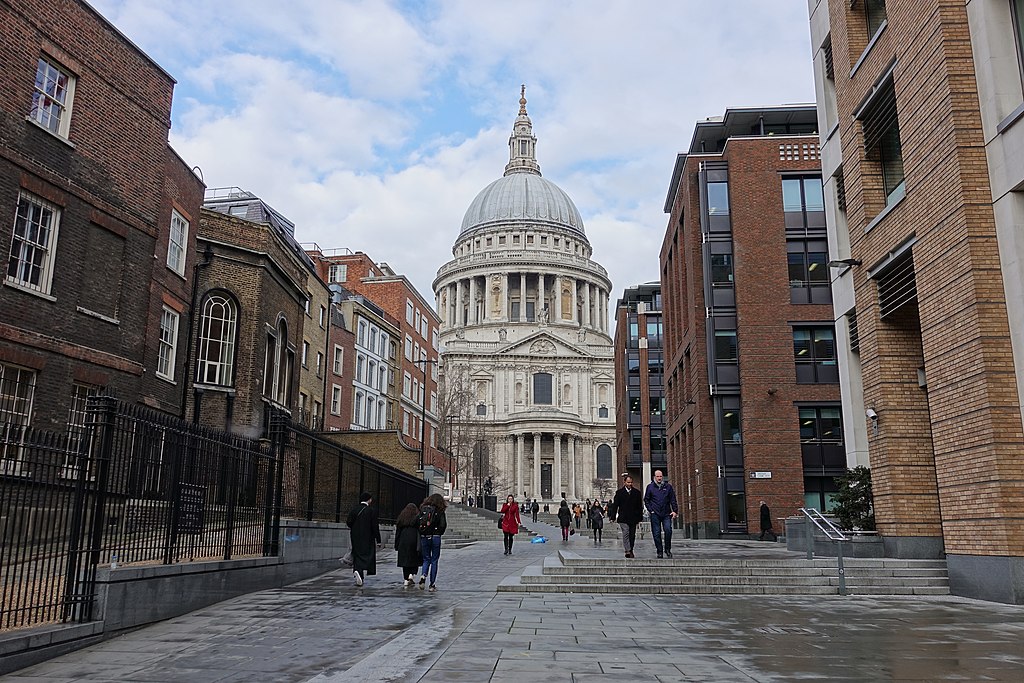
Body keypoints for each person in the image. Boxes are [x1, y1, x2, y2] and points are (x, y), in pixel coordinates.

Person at [346, 491, 381, 586]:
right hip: (368, 537)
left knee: (357, 554)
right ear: (369, 500)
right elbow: (375, 526)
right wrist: (378, 540)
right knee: (367, 555)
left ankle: (358, 571)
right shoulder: (371, 511)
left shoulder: (354, 510)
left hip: (355, 536)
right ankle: (361, 571)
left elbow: (349, 522)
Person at [644, 469, 679, 559]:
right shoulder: (650, 487)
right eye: (657, 476)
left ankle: (667, 549)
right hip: (655, 513)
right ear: (654, 477)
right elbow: (646, 499)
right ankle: (659, 550)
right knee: (656, 533)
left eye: (660, 476)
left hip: (666, 513)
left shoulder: (668, 487)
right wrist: (650, 510)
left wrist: (675, 510)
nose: (659, 478)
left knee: (668, 530)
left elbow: (673, 499)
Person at [417, 493, 447, 591]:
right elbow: (443, 525)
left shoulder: (423, 508)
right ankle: (432, 584)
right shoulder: (440, 510)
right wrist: (439, 532)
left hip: (424, 536)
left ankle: (423, 575)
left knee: (426, 558)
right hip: (435, 536)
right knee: (434, 560)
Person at [609, 475, 643, 558]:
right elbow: (615, 505)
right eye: (628, 482)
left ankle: (631, 549)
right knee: (626, 533)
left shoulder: (637, 493)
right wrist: (613, 517)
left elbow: (639, 506)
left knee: (632, 535)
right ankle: (627, 550)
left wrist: (639, 517)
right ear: (624, 482)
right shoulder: (619, 493)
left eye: (631, 482)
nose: (629, 484)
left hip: (633, 517)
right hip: (623, 517)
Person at [394, 503, 422, 586]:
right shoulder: (417, 517)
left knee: (404, 559)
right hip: (414, 538)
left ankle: (406, 578)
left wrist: (397, 544)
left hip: (403, 539)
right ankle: (412, 574)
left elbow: (397, 532)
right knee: (414, 558)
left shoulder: (401, 518)